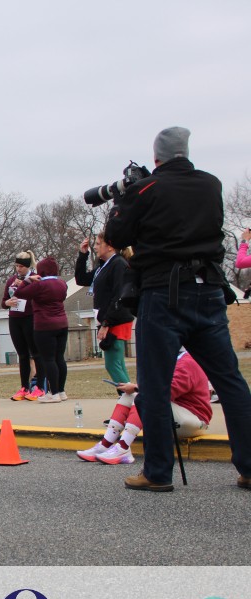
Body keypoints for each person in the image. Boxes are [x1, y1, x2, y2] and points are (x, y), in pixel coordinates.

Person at [105, 126, 251, 492]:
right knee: (230, 382)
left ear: (157, 157)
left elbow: (117, 235)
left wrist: (123, 199)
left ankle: (157, 472)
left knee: (155, 386)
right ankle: (249, 466)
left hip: (163, 294)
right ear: (185, 152)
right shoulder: (212, 184)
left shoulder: (147, 189)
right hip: (210, 291)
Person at [76, 350, 211, 466]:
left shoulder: (187, 362)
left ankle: (123, 447)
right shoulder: (174, 359)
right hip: (181, 413)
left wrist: (137, 387)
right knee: (129, 396)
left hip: (195, 419)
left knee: (145, 398)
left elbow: (169, 391)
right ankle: (105, 445)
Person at [75, 233, 134, 386]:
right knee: (118, 363)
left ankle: (130, 396)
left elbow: (118, 296)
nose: (95, 247)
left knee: (112, 364)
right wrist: (83, 255)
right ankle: (129, 396)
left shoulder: (118, 264)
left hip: (116, 320)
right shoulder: (103, 266)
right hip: (109, 319)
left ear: (110, 247)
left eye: (98, 243)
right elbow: (81, 279)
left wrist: (106, 323)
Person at [14, 256, 68, 403]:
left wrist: (27, 280)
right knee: (59, 358)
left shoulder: (40, 285)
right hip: (62, 323)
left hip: (44, 325)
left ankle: (53, 393)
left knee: (48, 359)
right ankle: (61, 391)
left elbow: (19, 293)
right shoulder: (62, 283)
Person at [2, 250, 43, 401]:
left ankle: (40, 387)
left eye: (21, 266)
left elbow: (39, 297)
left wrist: (25, 285)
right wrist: (7, 303)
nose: (18, 269)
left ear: (28, 266)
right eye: (16, 266)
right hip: (15, 319)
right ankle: (24, 387)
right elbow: (3, 302)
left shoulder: (35, 278)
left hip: (30, 318)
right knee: (23, 355)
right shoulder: (11, 280)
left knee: (36, 353)